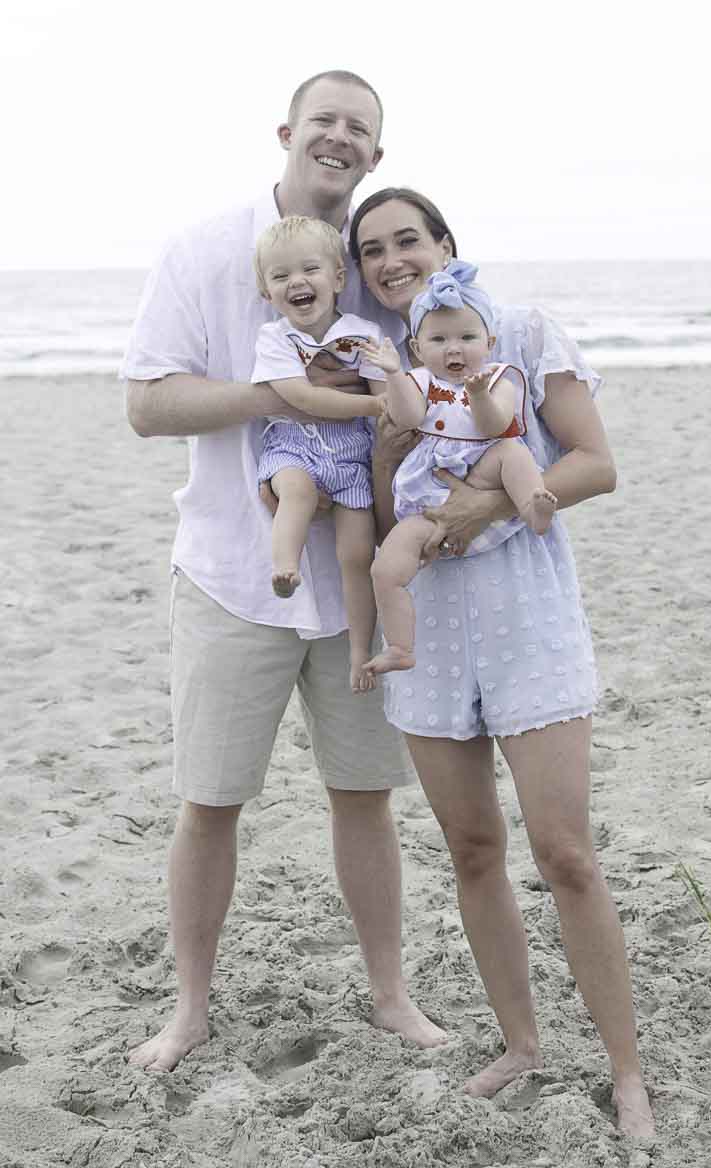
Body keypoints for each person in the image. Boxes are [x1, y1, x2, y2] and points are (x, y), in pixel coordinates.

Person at [121, 75, 446, 1074]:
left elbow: (437, 395)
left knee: (364, 796)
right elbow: (147, 403)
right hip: (231, 570)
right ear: (287, 135)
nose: (338, 139)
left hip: (358, 581)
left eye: (358, 129)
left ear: (375, 157)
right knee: (209, 801)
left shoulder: (384, 264)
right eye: (323, 124)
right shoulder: (205, 250)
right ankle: (188, 1008)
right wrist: (283, 396)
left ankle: (389, 996)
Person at [351, 188, 656, 1140]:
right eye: (373, 250)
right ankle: (522, 1043)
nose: (392, 259)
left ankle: (627, 1069)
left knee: (566, 853)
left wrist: (486, 505)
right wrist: (393, 445)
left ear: (445, 245)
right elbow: (385, 499)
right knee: (473, 851)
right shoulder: (396, 366)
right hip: (432, 630)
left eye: (409, 240)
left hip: (528, 617)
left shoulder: (519, 330)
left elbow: (596, 464)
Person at [357, 259, 556, 675]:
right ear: (417, 348)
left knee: (513, 454)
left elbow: (496, 426)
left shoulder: (498, 377)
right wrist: (393, 374)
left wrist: (479, 394)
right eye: (439, 338)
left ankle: (531, 506)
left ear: (490, 340)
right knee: (385, 568)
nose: (454, 348)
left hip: (482, 469)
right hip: (430, 491)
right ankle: (400, 647)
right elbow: (410, 417)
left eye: (467, 336)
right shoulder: (419, 380)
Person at [251, 214, 387, 692]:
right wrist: (374, 404)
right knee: (297, 491)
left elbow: (387, 386)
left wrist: (390, 392)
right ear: (267, 292)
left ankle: (358, 653)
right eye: (281, 276)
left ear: (338, 277)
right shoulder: (275, 339)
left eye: (309, 269)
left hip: (353, 455)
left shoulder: (362, 331)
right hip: (296, 442)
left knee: (357, 554)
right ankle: (284, 565)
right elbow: (301, 398)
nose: (297, 282)